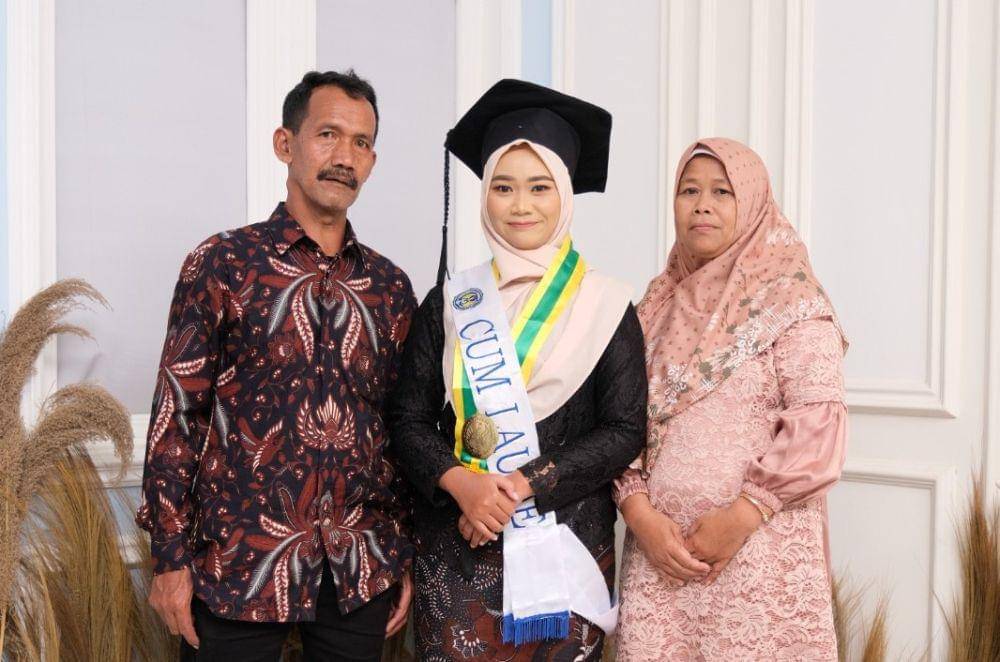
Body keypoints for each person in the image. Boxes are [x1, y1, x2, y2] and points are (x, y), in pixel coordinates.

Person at [136, 69, 416, 661]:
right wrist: (169, 557)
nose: (345, 157)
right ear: (285, 144)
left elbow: (398, 426)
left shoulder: (390, 288)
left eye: (361, 143)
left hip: (357, 567)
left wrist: (400, 553)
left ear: (372, 161)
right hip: (237, 564)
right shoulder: (223, 262)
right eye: (328, 135)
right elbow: (178, 414)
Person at [386, 79, 647, 660]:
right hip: (458, 551)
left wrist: (522, 485)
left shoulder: (606, 303)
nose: (521, 205)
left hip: (564, 548)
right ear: (485, 196)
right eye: (503, 187)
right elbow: (407, 419)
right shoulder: (451, 301)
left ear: (565, 195)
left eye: (539, 187)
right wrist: (462, 484)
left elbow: (625, 429)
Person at [614, 138, 849, 661]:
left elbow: (819, 429)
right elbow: (618, 421)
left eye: (722, 192)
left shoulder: (793, 301)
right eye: (689, 191)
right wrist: (639, 513)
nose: (702, 205)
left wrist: (741, 517)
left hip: (758, 555)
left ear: (753, 202)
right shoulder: (653, 307)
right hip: (660, 563)